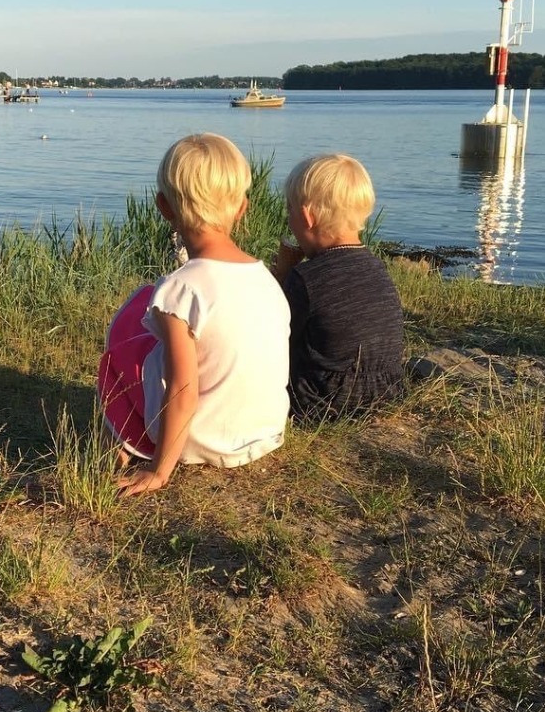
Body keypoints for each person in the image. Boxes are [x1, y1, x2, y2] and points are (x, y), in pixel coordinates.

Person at [99, 133, 290, 497]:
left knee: (120, 357)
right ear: (242, 207)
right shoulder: (266, 278)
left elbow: (183, 390)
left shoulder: (182, 289)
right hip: (263, 432)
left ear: (164, 207)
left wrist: (159, 470)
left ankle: (126, 441)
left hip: (203, 440)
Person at [272, 154, 403, 420]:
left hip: (323, 400)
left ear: (307, 217)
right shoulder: (377, 268)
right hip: (387, 391)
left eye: (290, 212)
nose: (289, 222)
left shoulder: (306, 277)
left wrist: (282, 274)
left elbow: (274, 333)